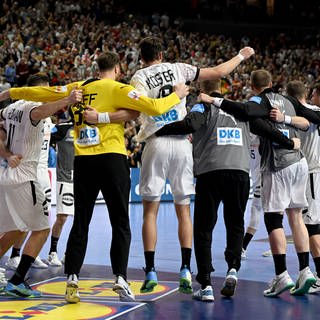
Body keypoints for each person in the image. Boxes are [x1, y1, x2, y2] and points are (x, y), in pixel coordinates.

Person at [1, 51, 190, 303]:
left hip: (83, 162)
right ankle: (121, 278)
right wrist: (177, 95)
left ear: (96, 67)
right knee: (120, 222)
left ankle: (72, 280)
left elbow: (42, 93)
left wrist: (10, 93)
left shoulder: (77, 87)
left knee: (81, 222)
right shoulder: (119, 89)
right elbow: (154, 108)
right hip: (111, 159)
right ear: (118, 68)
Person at [129, 36, 255, 294]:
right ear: (162, 54)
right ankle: (186, 269)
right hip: (182, 145)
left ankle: (151, 269)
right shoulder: (178, 68)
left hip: (156, 140)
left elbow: (138, 107)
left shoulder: (139, 77)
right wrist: (241, 56)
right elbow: (219, 72)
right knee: (183, 211)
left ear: (142, 58)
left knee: (150, 212)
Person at [156, 78, 300, 301]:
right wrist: (290, 143)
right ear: (222, 89)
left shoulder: (202, 105)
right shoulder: (240, 109)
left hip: (210, 172)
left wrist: (158, 130)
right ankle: (233, 269)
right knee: (235, 224)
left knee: (204, 228)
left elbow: (190, 125)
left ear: (202, 90)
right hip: (240, 173)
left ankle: (205, 284)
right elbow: (266, 129)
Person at [202, 69, 320, 297]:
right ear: (272, 82)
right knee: (296, 217)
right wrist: (288, 123)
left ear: (253, 86)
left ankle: (282, 275)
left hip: (278, 163)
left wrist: (215, 100)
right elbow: (308, 120)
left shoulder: (260, 100)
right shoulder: (289, 100)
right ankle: (305, 270)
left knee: (273, 218)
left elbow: (248, 113)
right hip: (300, 163)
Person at [0, 73, 82, 297]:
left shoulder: (10, 109)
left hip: (10, 175)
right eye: (46, 91)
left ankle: (14, 276)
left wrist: (6, 154)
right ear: (38, 91)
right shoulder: (33, 108)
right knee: (42, 229)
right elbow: (39, 112)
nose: (48, 95)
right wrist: (67, 100)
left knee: (15, 229)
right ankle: (17, 280)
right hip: (28, 177)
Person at [286, 80, 320, 293]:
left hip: (311, 172)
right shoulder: (314, 111)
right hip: (313, 172)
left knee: (312, 226)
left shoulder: (302, 112)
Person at [46, 116, 75, 267]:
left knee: (80, 221)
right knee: (62, 217)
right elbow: (44, 138)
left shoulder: (91, 127)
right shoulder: (63, 128)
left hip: (83, 181)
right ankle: (52, 252)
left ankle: (69, 253)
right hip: (65, 179)